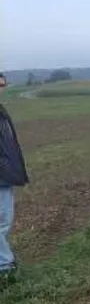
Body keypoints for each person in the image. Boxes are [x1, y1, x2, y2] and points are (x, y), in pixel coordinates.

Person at [0, 73, 29, 282]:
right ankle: (5, 268)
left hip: (5, 177)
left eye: (2, 84)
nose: (1, 88)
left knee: (4, 222)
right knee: (1, 223)